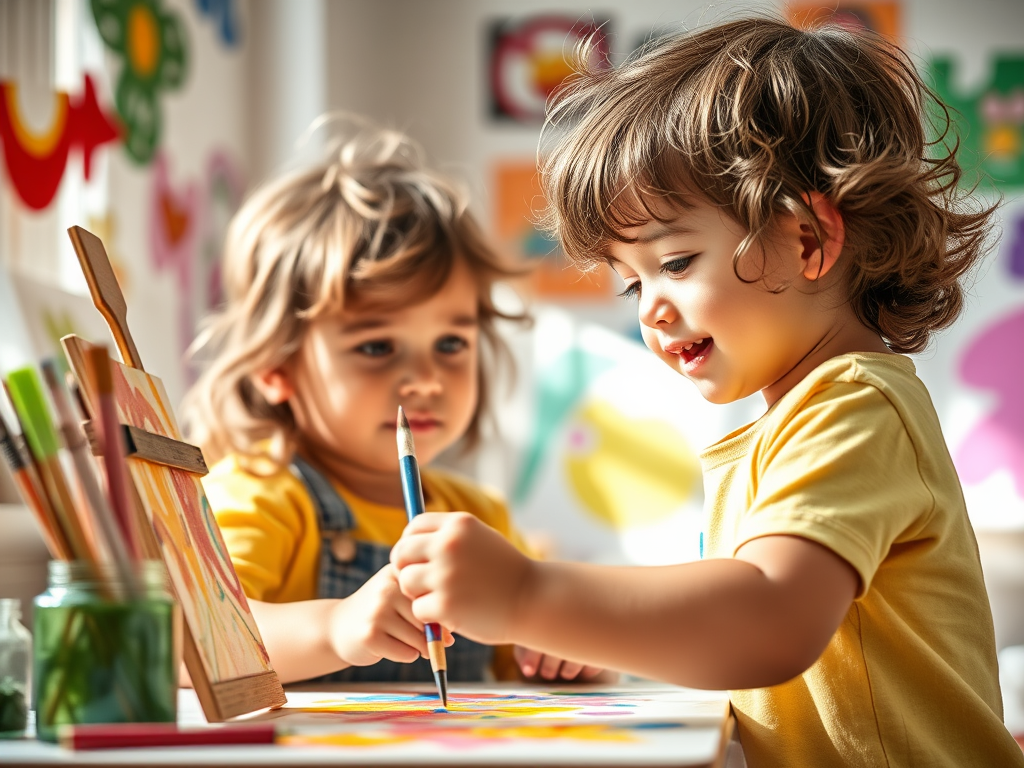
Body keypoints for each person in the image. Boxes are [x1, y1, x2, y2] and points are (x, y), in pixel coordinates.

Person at [390, 18, 1024, 767]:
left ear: (809, 240)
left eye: (678, 261)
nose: (651, 309)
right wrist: (585, 626)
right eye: (633, 284)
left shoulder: (854, 408)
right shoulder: (794, 421)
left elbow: (765, 621)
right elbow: (738, 626)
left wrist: (529, 595)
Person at [183, 118, 603, 685]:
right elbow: (196, 640)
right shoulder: (260, 494)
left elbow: (519, 661)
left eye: (451, 343)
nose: (426, 380)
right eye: (377, 346)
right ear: (276, 368)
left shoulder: (478, 516)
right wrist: (336, 628)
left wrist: (560, 654)